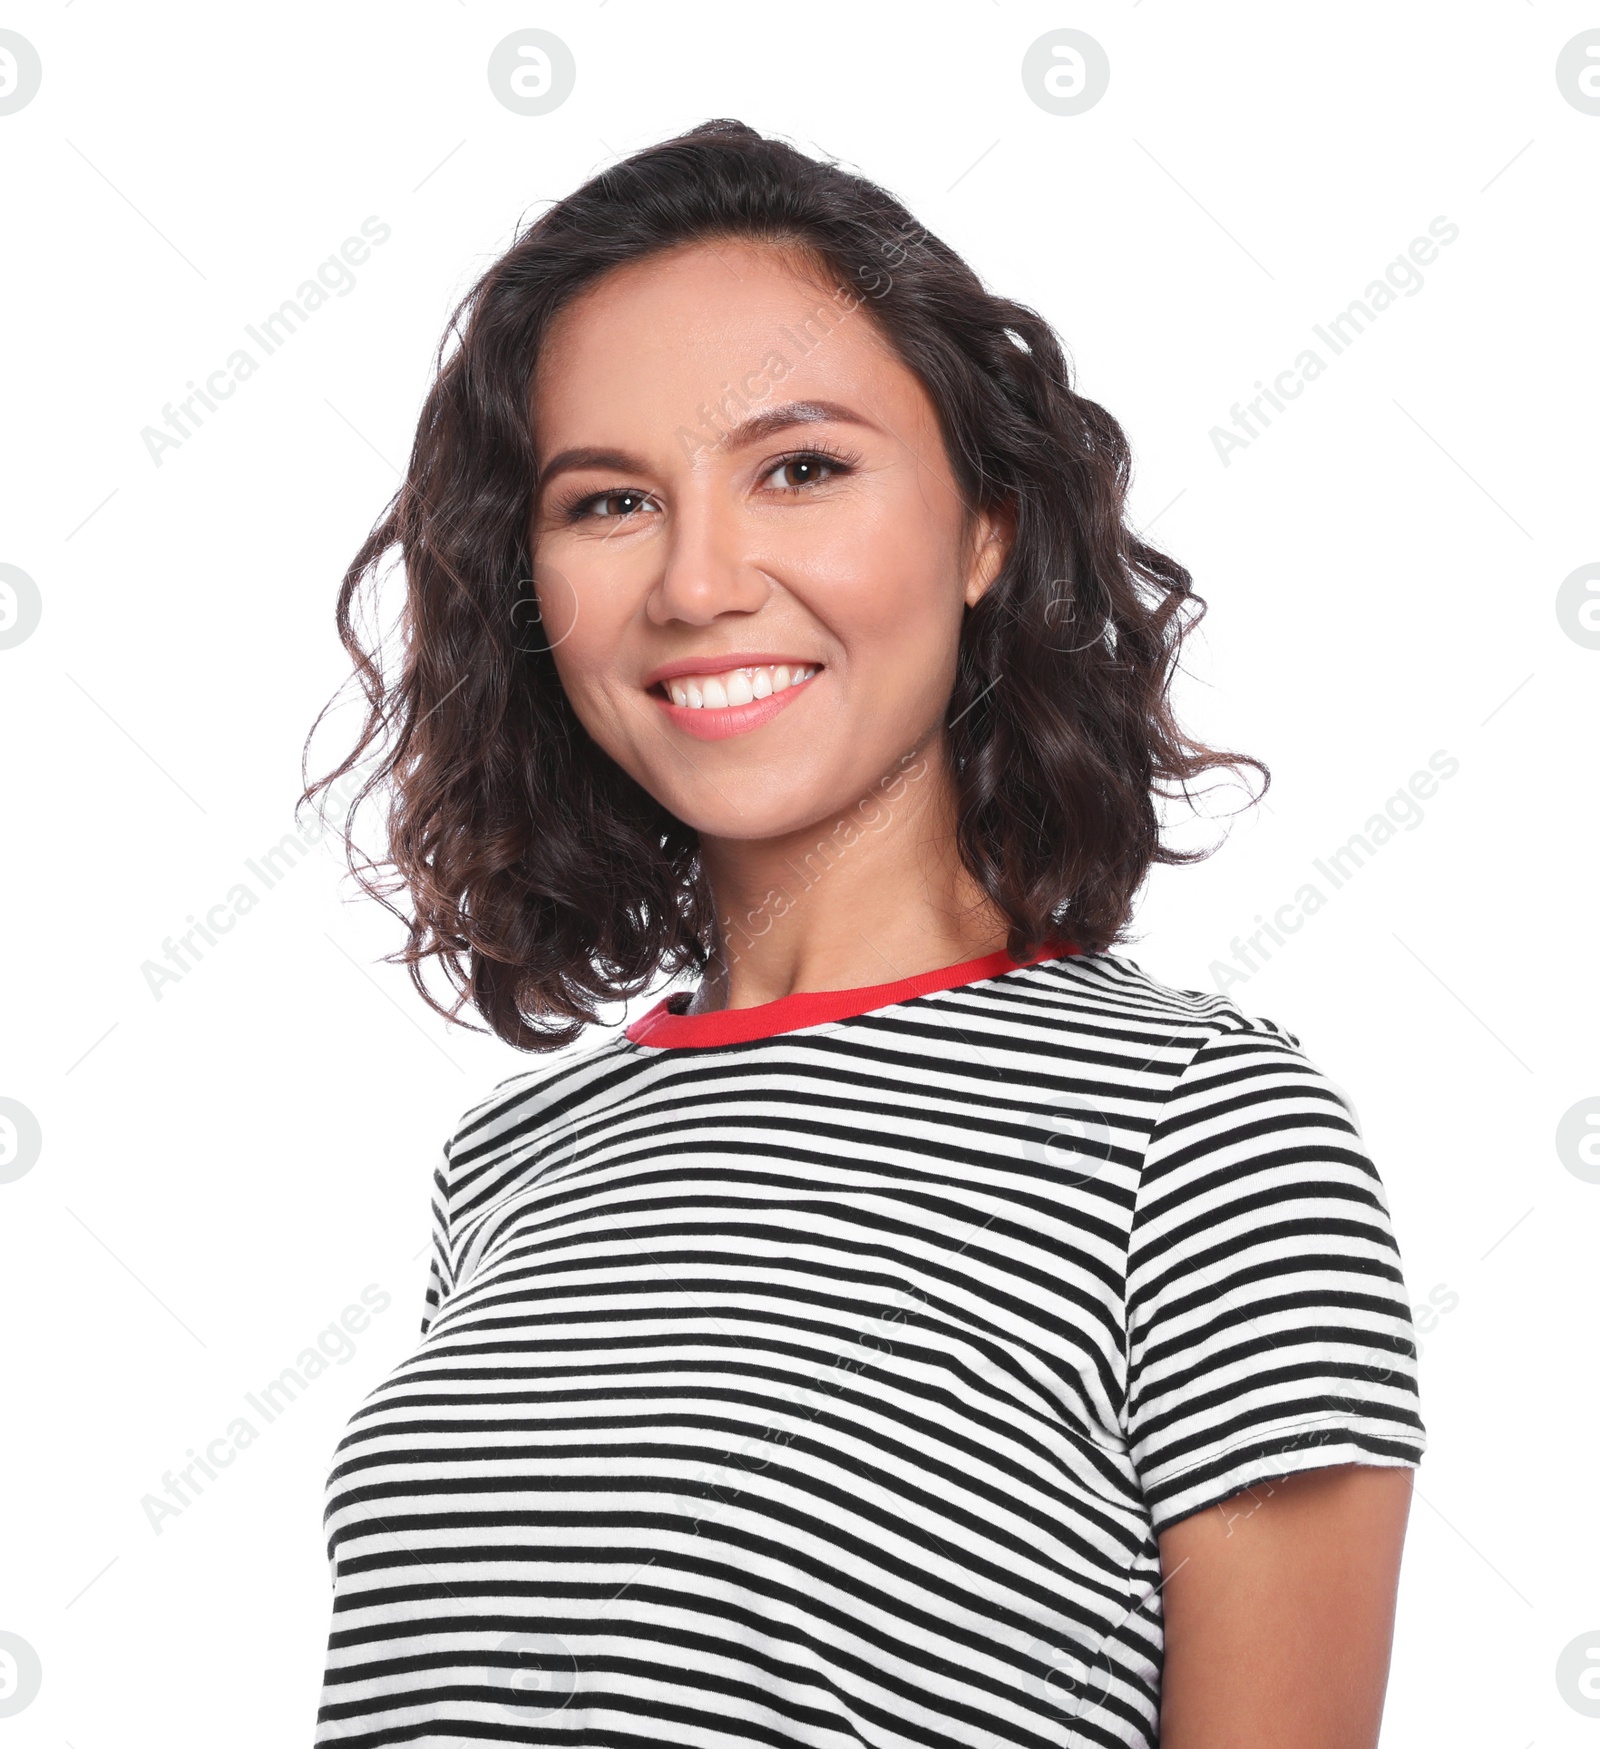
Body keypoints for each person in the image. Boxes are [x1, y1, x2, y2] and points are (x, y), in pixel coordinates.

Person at [305, 119, 1425, 1749]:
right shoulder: (514, 1159)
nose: (698, 581)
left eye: (801, 468)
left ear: (986, 527)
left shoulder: (1200, 1130)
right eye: (610, 500)